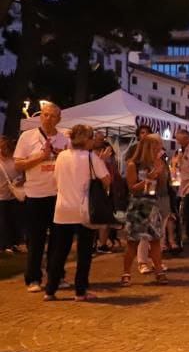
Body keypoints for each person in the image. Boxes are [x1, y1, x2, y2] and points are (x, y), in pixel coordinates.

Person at [45, 124, 110, 302]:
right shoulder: (91, 158)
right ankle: (80, 291)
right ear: (87, 139)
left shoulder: (61, 157)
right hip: (84, 210)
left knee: (59, 251)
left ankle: (50, 289)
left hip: (63, 209)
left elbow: (56, 181)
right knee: (84, 252)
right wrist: (102, 161)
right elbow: (106, 180)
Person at [14, 102, 70, 293]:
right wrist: (40, 157)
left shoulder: (64, 139)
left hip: (58, 195)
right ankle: (33, 278)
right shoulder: (27, 137)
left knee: (58, 240)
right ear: (40, 116)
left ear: (59, 119)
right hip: (35, 195)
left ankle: (56, 276)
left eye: (53, 116)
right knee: (36, 240)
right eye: (45, 115)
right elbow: (18, 165)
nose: (48, 118)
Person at [121, 134, 169, 286]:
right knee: (132, 243)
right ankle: (126, 273)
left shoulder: (158, 162)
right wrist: (148, 178)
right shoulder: (133, 164)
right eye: (157, 147)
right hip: (138, 205)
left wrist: (162, 174)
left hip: (152, 204)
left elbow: (160, 186)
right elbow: (132, 188)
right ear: (149, 147)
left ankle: (159, 271)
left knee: (155, 241)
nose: (159, 150)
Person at [0, 135, 25, 253]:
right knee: (4, 221)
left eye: (4, 147)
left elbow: (24, 173)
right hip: (2, 197)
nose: (2, 150)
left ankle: (15, 243)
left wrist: (22, 180)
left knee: (15, 221)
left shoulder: (15, 159)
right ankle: (5, 244)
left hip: (15, 195)